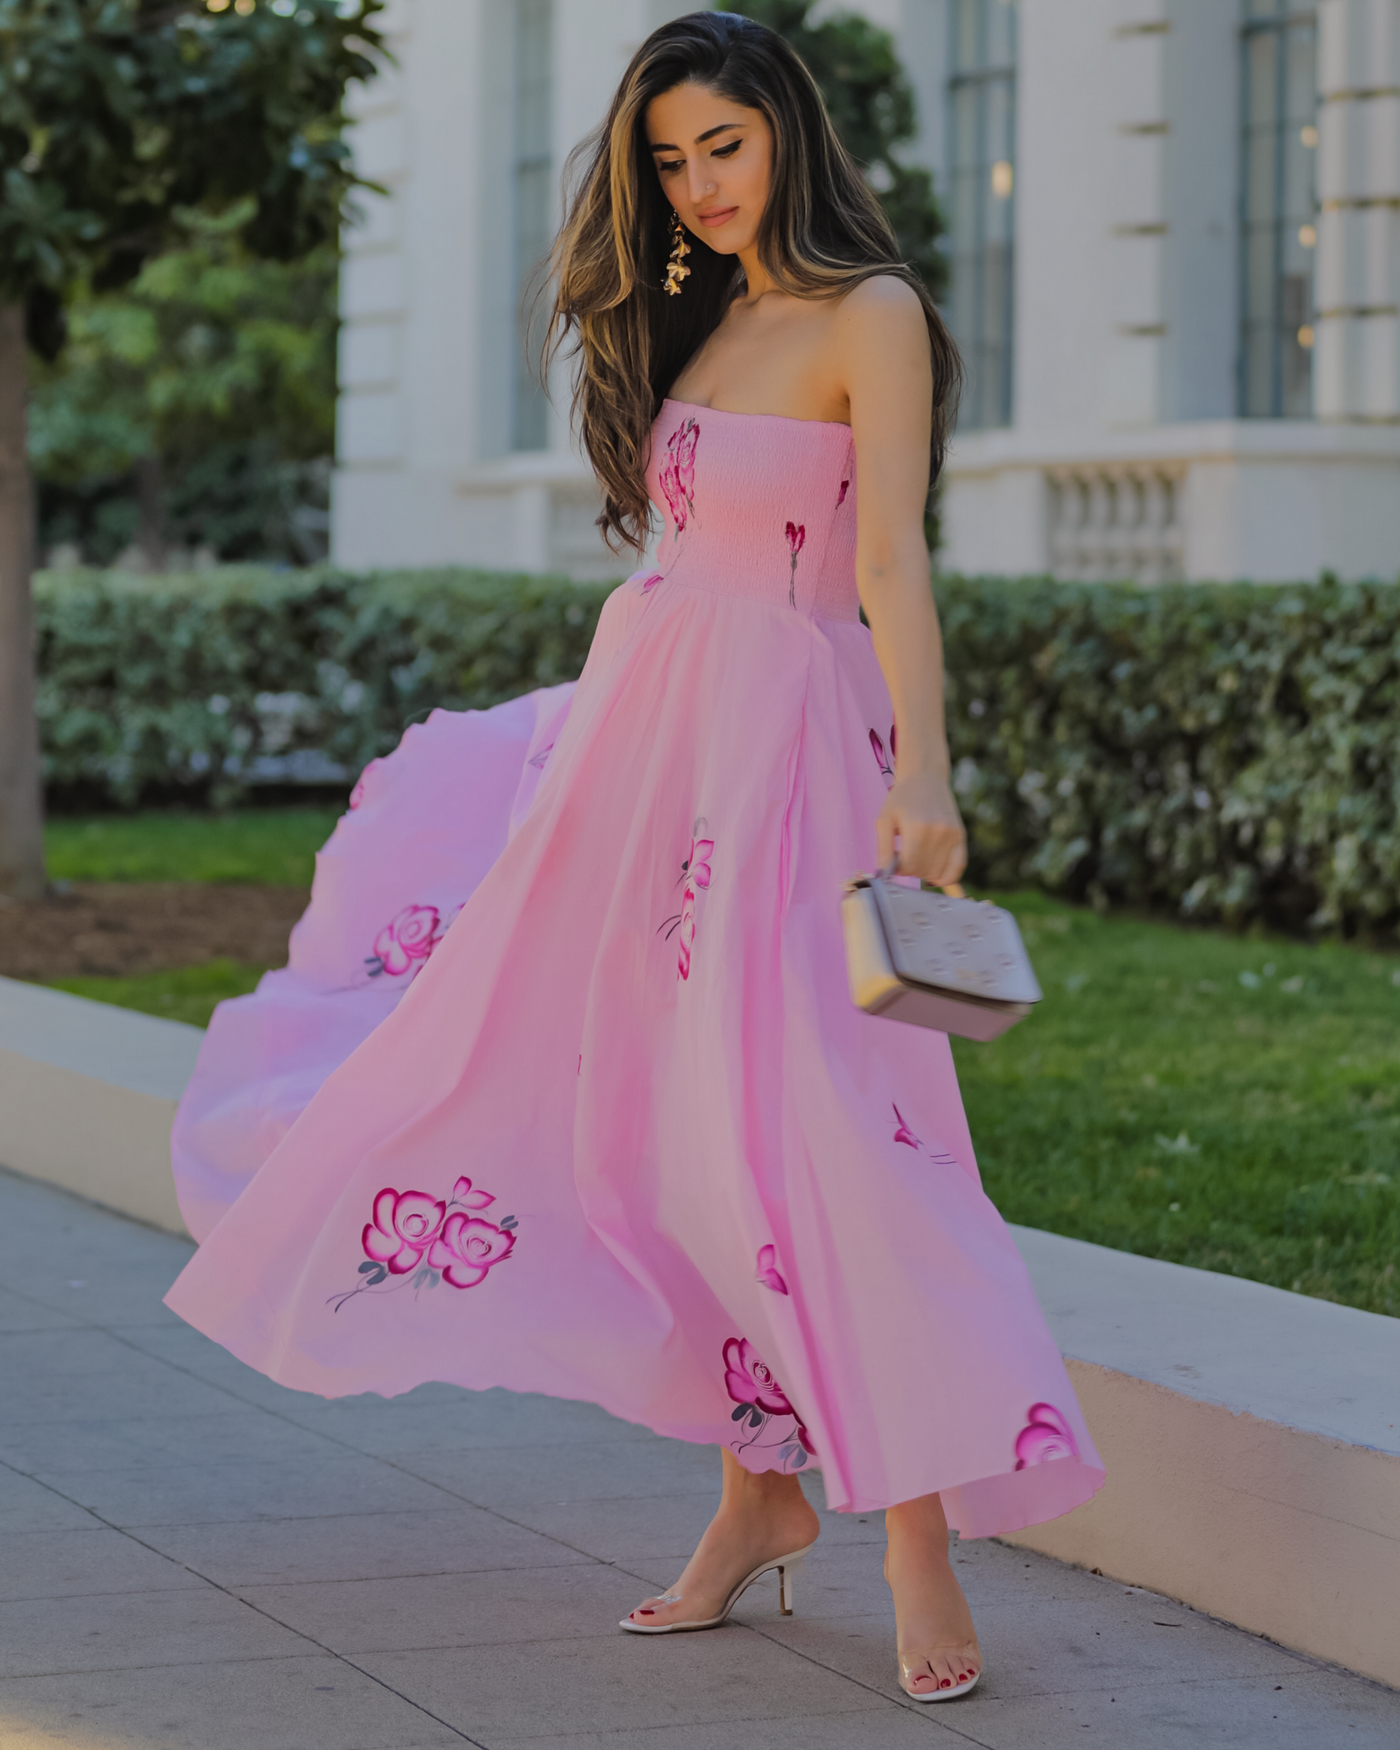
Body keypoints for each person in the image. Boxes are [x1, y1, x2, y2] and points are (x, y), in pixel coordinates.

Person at [166, 11, 1102, 1705]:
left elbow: (889, 550)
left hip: (796, 753)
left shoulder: (868, 313)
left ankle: (916, 1530)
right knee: (651, 1128)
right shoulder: (709, 315)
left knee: (830, 1123)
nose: (700, 184)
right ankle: (758, 1490)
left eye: (723, 147)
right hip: (650, 755)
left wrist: (933, 774)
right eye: (670, 161)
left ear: (787, 132)